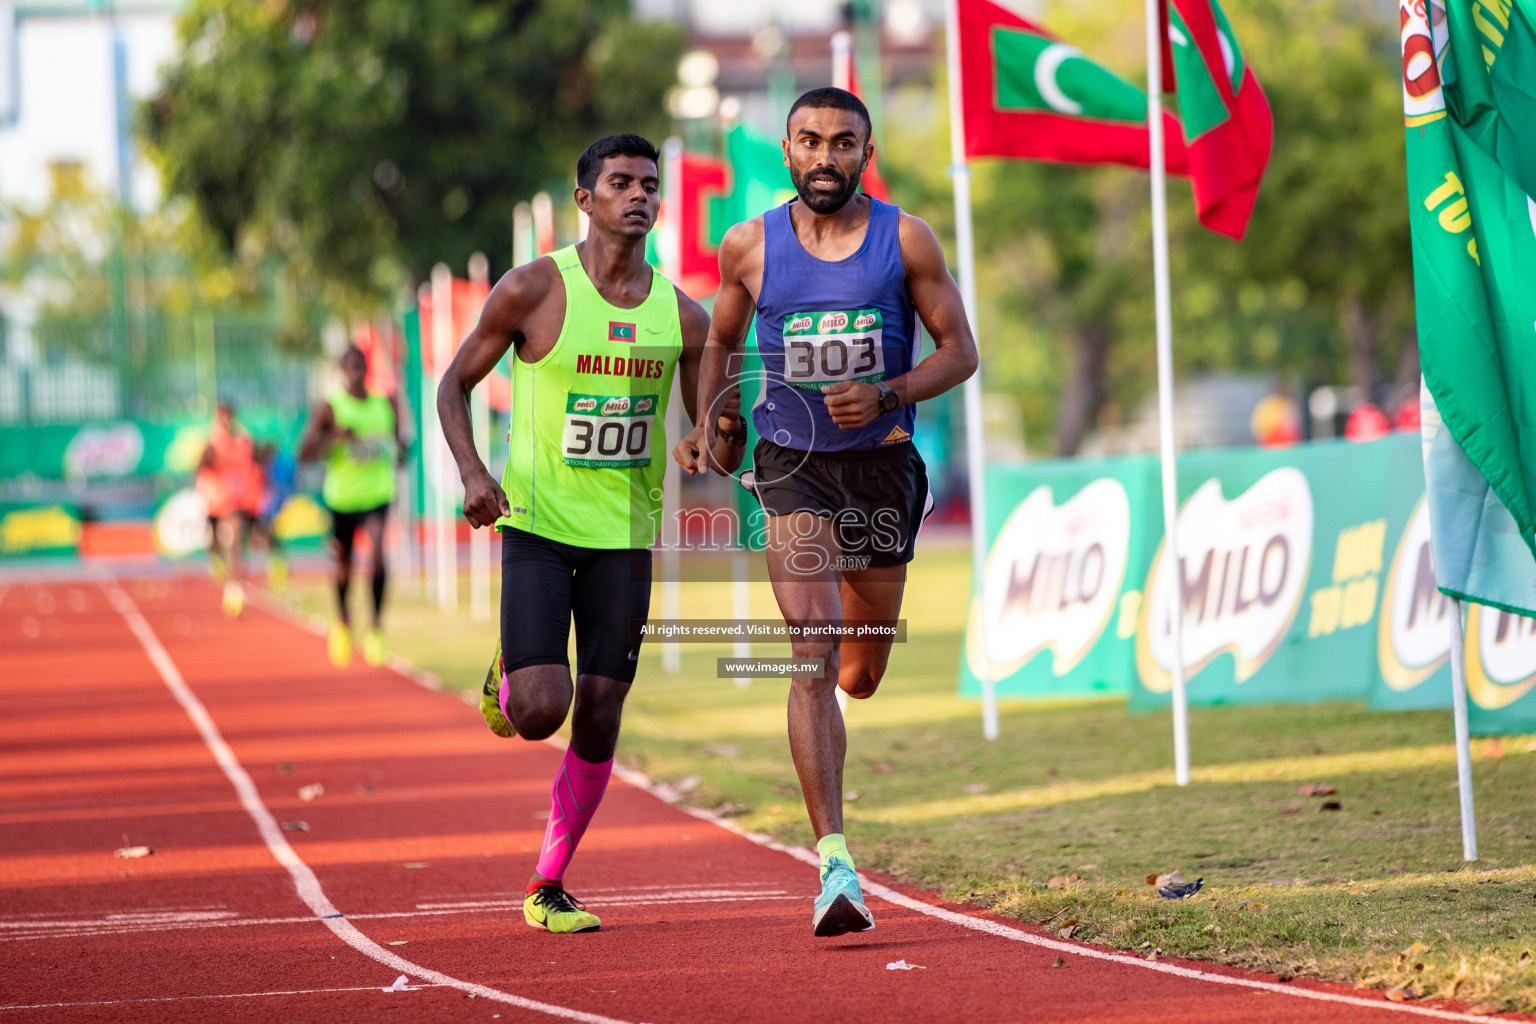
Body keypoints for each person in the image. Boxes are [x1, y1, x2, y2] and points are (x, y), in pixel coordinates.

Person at [674, 88, 978, 937]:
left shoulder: (904, 239)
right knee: (810, 649)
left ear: (864, 152)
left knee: (859, 672)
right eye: (810, 141)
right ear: (786, 151)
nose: (825, 157)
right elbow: (722, 343)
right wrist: (712, 421)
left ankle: (848, 692)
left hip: (881, 473)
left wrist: (888, 391)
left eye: (843, 143)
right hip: (792, 468)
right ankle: (835, 864)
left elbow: (961, 351)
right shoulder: (749, 245)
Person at [437, 134, 743, 936]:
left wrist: (710, 438)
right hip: (537, 525)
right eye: (620, 183)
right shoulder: (535, 288)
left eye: (648, 184)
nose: (638, 194)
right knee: (541, 709)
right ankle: (511, 667)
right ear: (586, 199)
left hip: (625, 539)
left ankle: (548, 883)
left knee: (601, 713)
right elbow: (453, 385)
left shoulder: (682, 316)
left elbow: (715, 435)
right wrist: (474, 475)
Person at [298, 345, 407, 668]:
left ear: (367, 368)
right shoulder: (330, 408)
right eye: (349, 367)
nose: (355, 372)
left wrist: (399, 447)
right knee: (343, 562)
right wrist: (335, 439)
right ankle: (343, 621)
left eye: (360, 365)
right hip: (342, 497)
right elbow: (303, 453)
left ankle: (375, 628)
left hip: (376, 493)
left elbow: (401, 448)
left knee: (376, 555)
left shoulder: (384, 404)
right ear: (341, 371)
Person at [196, 400, 258, 617]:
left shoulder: (243, 440)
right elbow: (202, 463)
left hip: (235, 502)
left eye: (228, 414)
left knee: (236, 541)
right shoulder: (213, 440)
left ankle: (235, 589)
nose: (225, 419)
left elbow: (253, 462)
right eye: (221, 415)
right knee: (214, 543)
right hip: (213, 500)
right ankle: (215, 556)